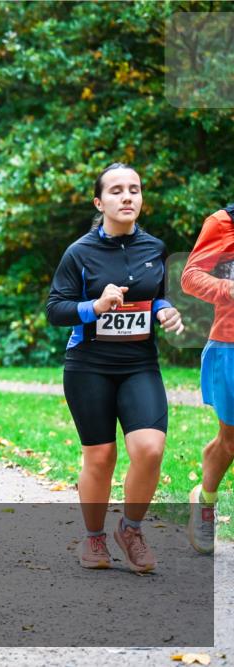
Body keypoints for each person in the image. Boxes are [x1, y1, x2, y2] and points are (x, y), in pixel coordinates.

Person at [46, 163, 184, 573]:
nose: (127, 197)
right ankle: (93, 539)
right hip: (88, 366)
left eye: (134, 190)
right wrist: (95, 306)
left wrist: (165, 310)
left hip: (140, 364)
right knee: (101, 456)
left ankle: (131, 529)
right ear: (99, 202)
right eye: (117, 191)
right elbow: (56, 310)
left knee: (150, 448)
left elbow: (155, 295)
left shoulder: (154, 248)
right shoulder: (79, 252)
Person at [181, 204, 234, 554]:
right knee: (230, 441)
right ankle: (205, 497)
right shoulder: (224, 222)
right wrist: (230, 289)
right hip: (230, 342)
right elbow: (190, 276)